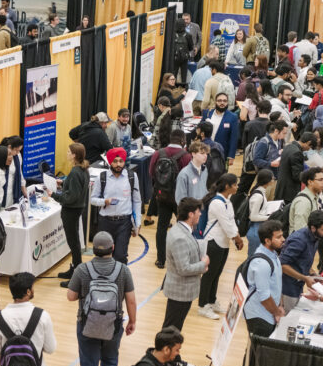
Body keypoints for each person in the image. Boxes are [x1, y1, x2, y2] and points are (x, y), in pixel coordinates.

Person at [66, 231, 136, 366]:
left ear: (93, 250)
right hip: (113, 325)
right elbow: (131, 300)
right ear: (113, 248)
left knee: (89, 365)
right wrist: (132, 321)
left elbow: (71, 296)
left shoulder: (82, 269)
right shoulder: (123, 270)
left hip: (87, 324)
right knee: (110, 361)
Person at [197, 173, 243, 321]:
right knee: (209, 275)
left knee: (217, 274)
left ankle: (212, 300)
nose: (237, 187)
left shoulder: (227, 202)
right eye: (235, 184)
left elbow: (232, 221)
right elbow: (226, 225)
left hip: (223, 242)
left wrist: (236, 237)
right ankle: (203, 305)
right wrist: (237, 238)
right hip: (213, 242)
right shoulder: (217, 203)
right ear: (227, 186)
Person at [163, 197, 209, 340]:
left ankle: (172, 358)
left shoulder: (182, 230)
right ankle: (165, 359)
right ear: (190, 214)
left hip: (182, 290)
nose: (200, 214)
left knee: (174, 328)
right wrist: (203, 265)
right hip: (180, 291)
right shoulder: (179, 237)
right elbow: (183, 268)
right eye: (198, 212)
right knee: (171, 329)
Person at [46, 143, 89, 285]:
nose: (67, 153)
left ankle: (76, 277)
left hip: (71, 210)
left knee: (74, 243)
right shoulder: (82, 169)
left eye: (69, 151)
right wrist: (63, 184)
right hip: (76, 209)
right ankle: (74, 269)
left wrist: (54, 195)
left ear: (74, 155)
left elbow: (71, 197)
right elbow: (75, 188)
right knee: (74, 242)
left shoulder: (75, 172)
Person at [90, 148, 142, 264]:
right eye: (115, 161)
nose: (118, 164)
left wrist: (138, 223)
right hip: (105, 222)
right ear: (110, 162)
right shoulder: (102, 178)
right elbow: (92, 199)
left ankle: (120, 281)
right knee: (103, 257)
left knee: (120, 257)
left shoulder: (132, 177)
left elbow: (137, 201)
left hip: (124, 222)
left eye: (121, 161)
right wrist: (105, 201)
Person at [150, 130, 192, 267]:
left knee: (161, 228)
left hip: (162, 195)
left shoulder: (158, 153)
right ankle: (182, 258)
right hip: (180, 199)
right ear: (183, 140)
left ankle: (160, 260)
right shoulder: (186, 156)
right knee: (184, 228)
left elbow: (151, 173)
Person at [243, 220, 285, 337]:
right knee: (257, 352)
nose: (283, 239)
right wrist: (277, 313)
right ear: (267, 241)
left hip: (269, 312)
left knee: (258, 352)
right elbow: (264, 296)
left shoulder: (273, 255)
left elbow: (277, 283)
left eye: (282, 235)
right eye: (279, 237)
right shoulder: (261, 263)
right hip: (259, 315)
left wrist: (280, 305)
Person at [280, 210, 323, 311]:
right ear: (313, 228)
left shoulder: (316, 238)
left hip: (298, 284)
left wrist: (313, 274)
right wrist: (305, 278)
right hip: (287, 287)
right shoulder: (299, 241)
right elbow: (283, 265)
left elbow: (303, 262)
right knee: (288, 317)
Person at [276, 132, 317, 203]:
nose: (308, 149)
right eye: (310, 147)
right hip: (289, 192)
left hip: (281, 188)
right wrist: (310, 174)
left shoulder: (288, 146)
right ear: (308, 142)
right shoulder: (297, 153)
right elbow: (297, 176)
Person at [202, 92, 239, 166]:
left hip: (222, 153)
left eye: (225, 101)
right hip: (205, 151)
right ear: (215, 102)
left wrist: (231, 156)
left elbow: (234, 138)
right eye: (219, 100)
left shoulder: (233, 117)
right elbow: (201, 131)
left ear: (227, 102)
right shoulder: (207, 113)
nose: (222, 103)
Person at [245, 169, 275, 257]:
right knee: (253, 258)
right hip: (255, 231)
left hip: (259, 229)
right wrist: (269, 217)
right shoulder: (258, 196)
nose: (273, 180)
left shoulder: (261, 192)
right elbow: (253, 217)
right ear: (267, 181)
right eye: (272, 178)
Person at [289, 168, 323, 235]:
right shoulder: (303, 202)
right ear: (310, 182)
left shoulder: (314, 197)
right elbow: (300, 230)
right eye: (320, 180)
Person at [173, 18, 194, 85]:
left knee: (173, 75)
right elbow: (191, 48)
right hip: (184, 58)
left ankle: (172, 88)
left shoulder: (172, 35)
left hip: (175, 58)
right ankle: (183, 89)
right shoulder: (188, 35)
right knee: (184, 75)